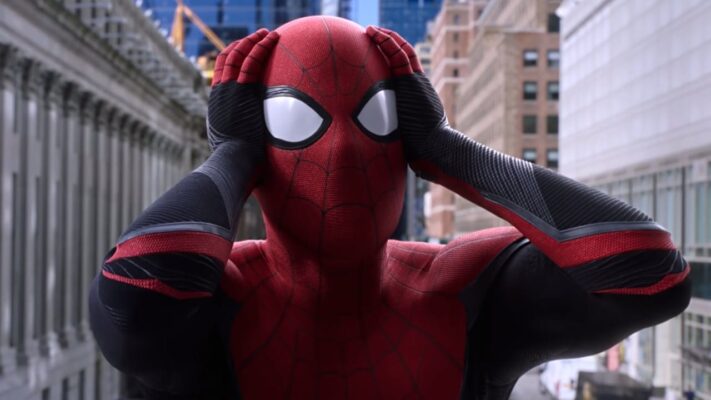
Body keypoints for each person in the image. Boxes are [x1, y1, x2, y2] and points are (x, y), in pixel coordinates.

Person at [89, 16, 691, 400]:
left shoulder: (463, 285)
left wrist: (446, 150)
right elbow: (133, 300)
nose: (345, 151)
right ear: (261, 153)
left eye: (375, 119)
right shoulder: (216, 297)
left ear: (406, 139)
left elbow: (651, 274)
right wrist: (234, 153)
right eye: (298, 122)